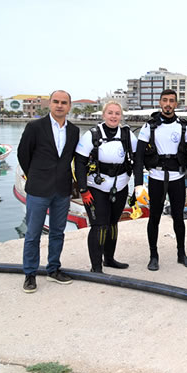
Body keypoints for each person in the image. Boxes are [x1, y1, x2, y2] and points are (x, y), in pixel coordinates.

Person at [17, 90, 80, 293]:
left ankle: (53, 269)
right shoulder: (35, 127)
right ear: (50, 104)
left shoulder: (74, 131)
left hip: (62, 189)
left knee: (57, 232)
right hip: (38, 189)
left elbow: (71, 157)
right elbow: (23, 154)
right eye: (56, 101)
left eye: (64, 102)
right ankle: (30, 274)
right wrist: (35, 175)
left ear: (69, 106)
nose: (59, 105)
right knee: (33, 233)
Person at [133, 89, 187, 271]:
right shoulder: (149, 127)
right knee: (154, 218)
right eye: (165, 100)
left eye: (171, 101)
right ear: (160, 103)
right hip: (156, 178)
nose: (168, 104)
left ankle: (181, 254)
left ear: (176, 104)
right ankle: (153, 256)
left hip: (178, 178)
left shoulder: (184, 126)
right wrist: (138, 184)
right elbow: (139, 158)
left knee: (179, 217)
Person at [75, 101, 137, 273]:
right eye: (110, 113)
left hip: (120, 187)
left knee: (113, 224)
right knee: (99, 225)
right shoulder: (92, 135)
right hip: (96, 188)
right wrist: (83, 190)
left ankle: (109, 259)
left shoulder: (127, 135)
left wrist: (138, 185)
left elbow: (138, 159)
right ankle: (96, 267)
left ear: (121, 116)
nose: (113, 116)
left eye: (117, 113)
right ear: (104, 115)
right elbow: (79, 163)